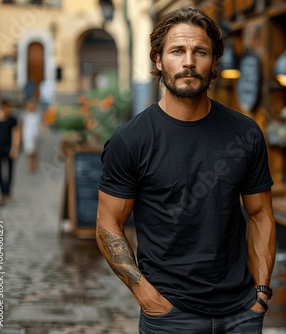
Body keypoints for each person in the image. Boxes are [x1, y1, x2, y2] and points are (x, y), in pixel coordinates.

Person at [96, 7, 276, 334]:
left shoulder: (245, 133)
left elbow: (261, 214)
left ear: (214, 62)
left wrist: (260, 294)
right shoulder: (131, 139)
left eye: (200, 51)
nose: (189, 61)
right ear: (158, 60)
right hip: (169, 315)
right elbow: (108, 224)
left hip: (241, 314)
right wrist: (148, 297)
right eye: (177, 51)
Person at [0, 100, 21, 206]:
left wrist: (15, 148)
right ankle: (1, 191)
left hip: (9, 147)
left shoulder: (12, 120)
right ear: (2, 108)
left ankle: (7, 191)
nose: (9, 110)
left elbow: (16, 134)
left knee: (10, 170)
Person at [21, 99, 45, 172]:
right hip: (27, 135)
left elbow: (41, 124)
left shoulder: (37, 115)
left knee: (34, 151)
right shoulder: (25, 115)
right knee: (29, 150)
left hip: (36, 135)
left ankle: (34, 163)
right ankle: (30, 163)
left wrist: (44, 131)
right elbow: (22, 125)